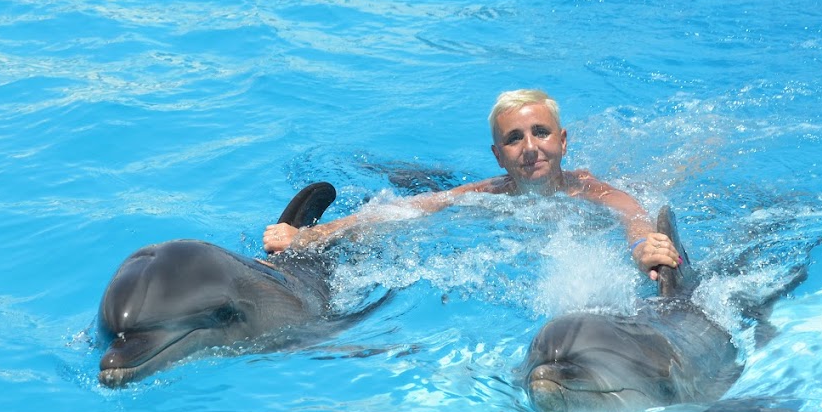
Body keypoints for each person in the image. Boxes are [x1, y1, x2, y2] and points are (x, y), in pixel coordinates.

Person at [262, 89, 681, 280]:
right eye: (514, 139)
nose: (530, 148)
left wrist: (642, 245)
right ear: (498, 155)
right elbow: (414, 208)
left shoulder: (588, 191)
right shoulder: (491, 193)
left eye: (541, 133)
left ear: (563, 141)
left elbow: (632, 214)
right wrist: (313, 235)